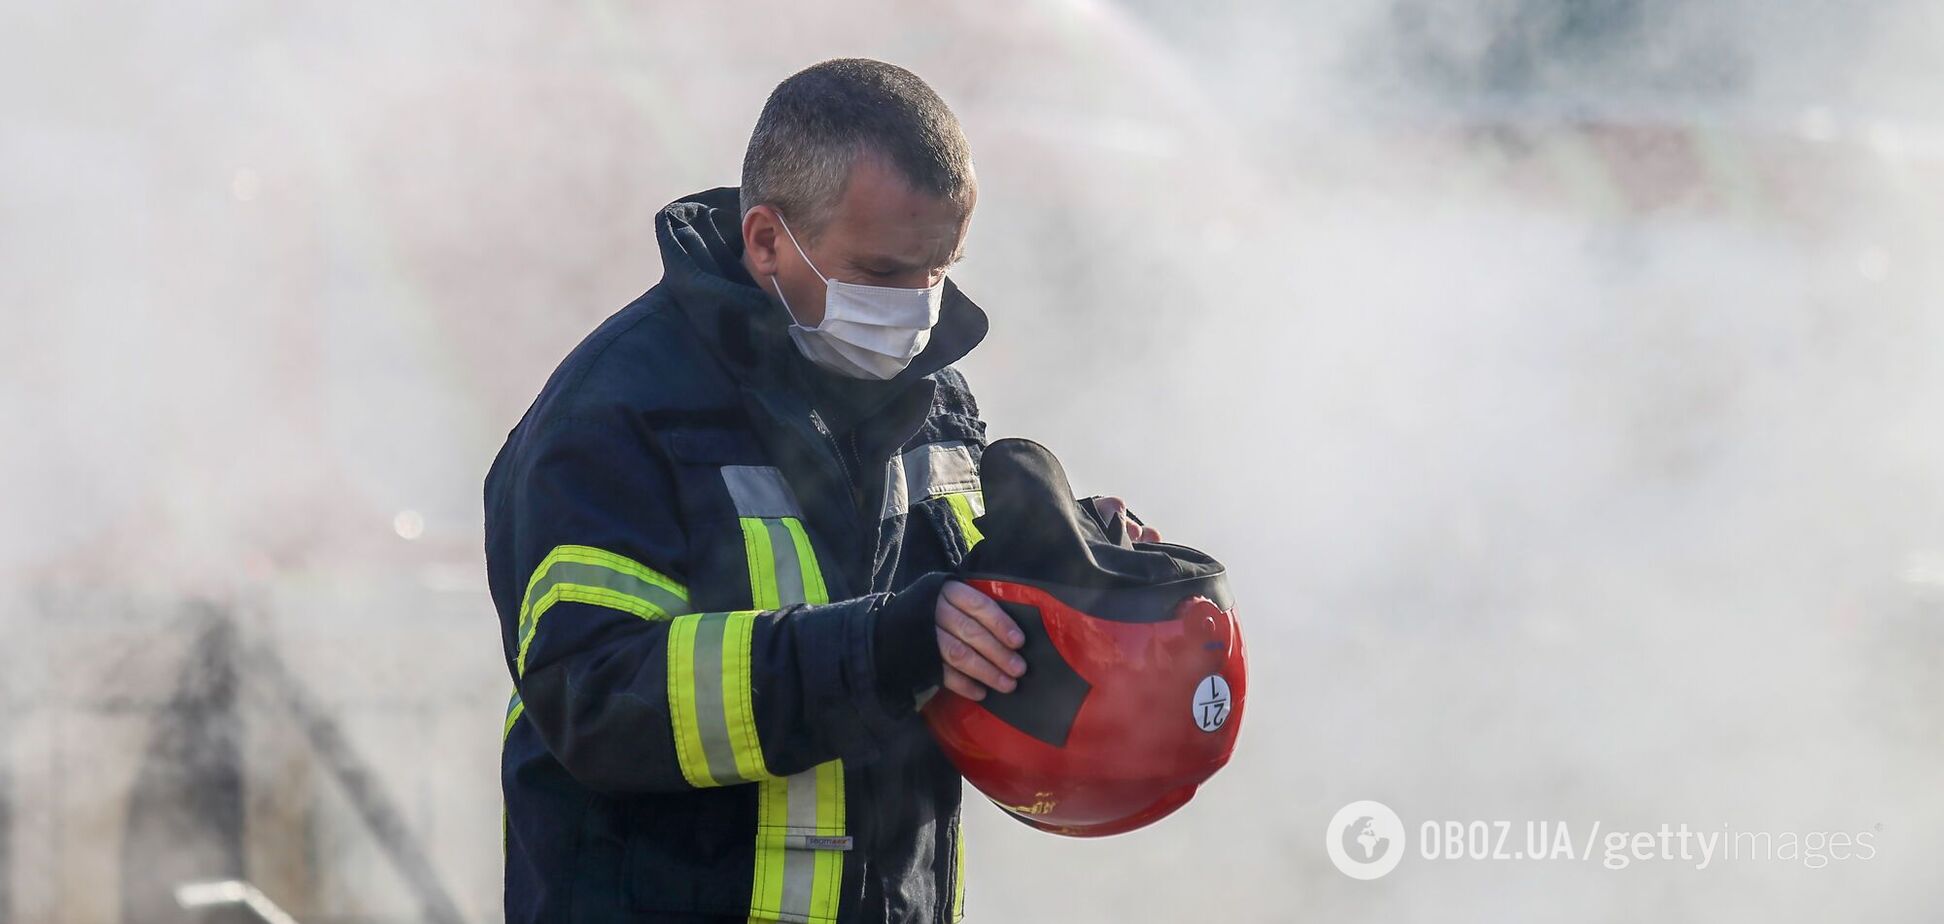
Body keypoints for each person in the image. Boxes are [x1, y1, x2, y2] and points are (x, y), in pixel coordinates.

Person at [484, 58, 1160, 924]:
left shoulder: (936, 398)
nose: (916, 311)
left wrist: (1066, 566)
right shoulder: (614, 416)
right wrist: (883, 648)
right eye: (882, 272)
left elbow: (949, 624)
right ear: (766, 241)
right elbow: (596, 698)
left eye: (940, 270)